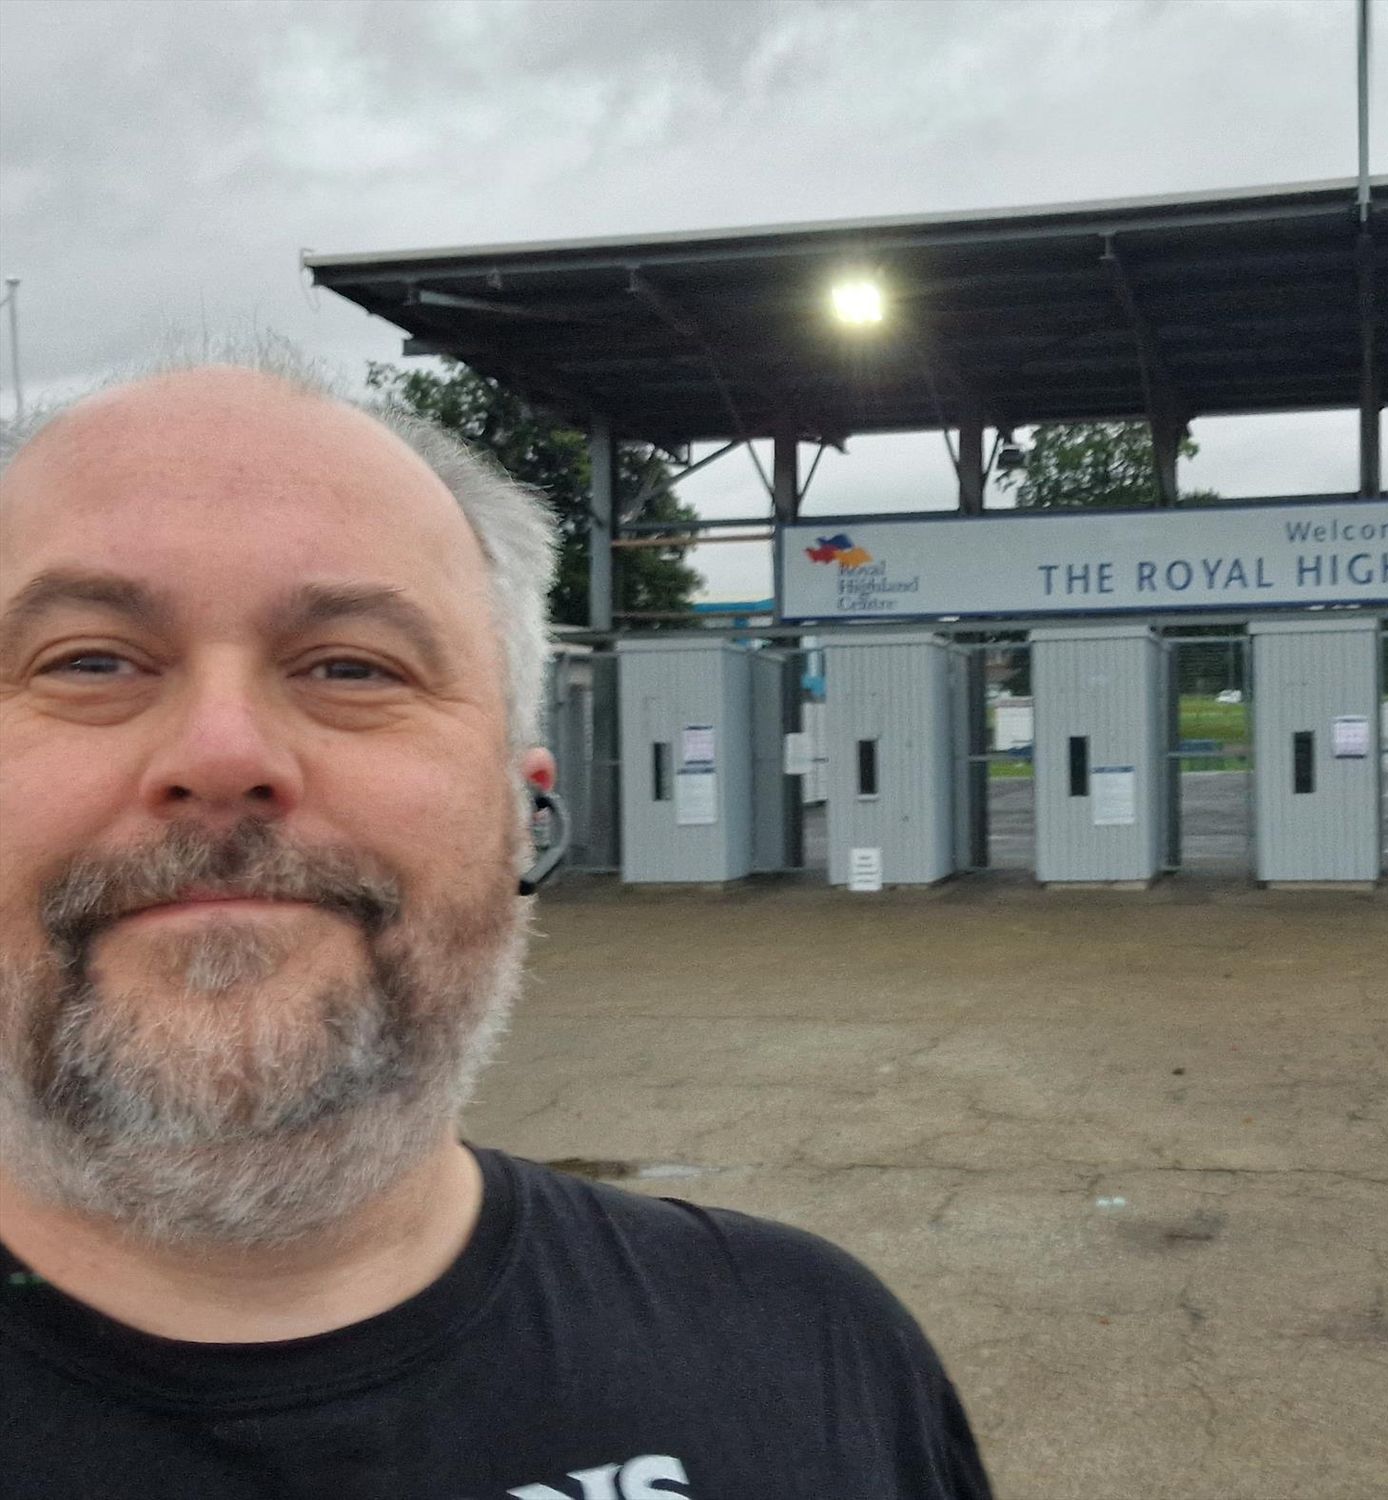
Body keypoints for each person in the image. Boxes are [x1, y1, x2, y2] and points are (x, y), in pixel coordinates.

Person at [0, 348, 991, 1499]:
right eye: (90, 659)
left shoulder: (818, 1356)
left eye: (351, 667)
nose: (223, 756)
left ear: (524, 808)